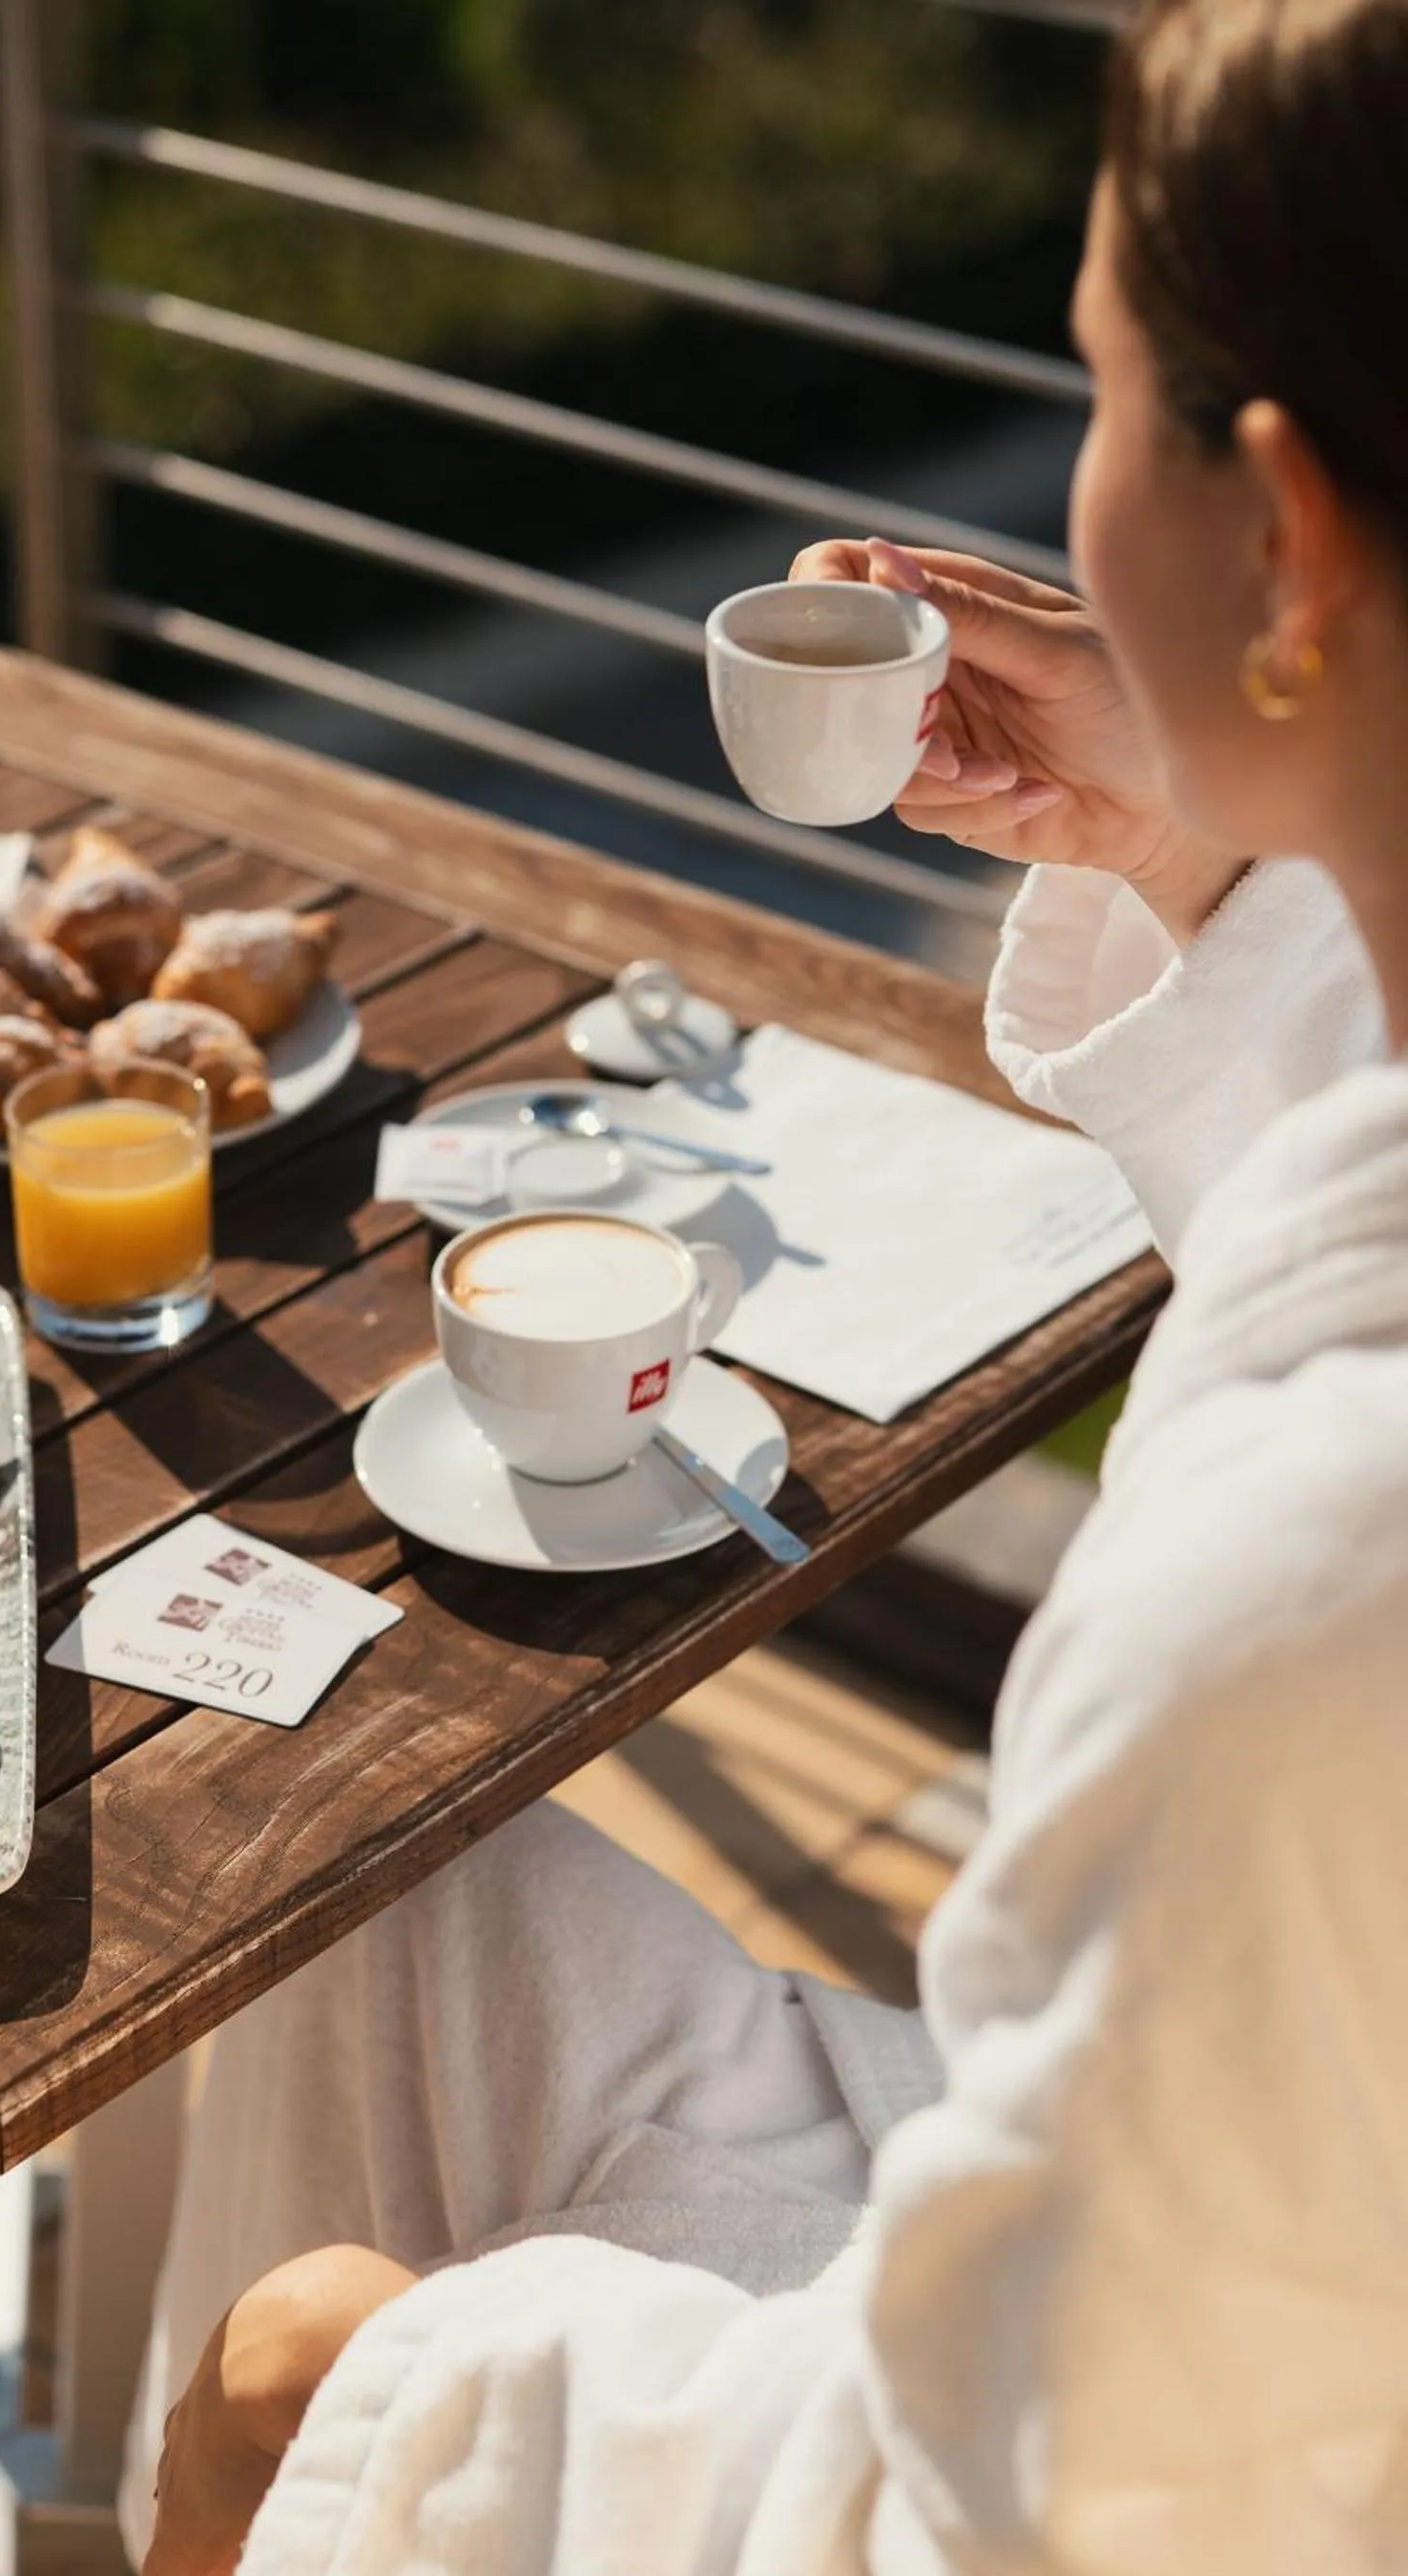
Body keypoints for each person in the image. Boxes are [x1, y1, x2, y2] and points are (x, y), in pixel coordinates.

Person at [127, 2, 1408, 2566]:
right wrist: (1181, 831)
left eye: (1095, 385)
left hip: (1081, 2415)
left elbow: (1050, 2510)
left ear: (1279, 525)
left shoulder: (1313, 1566)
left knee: (289, 2351)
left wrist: (370, 2401)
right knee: (385, 1902)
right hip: (1206, 2234)